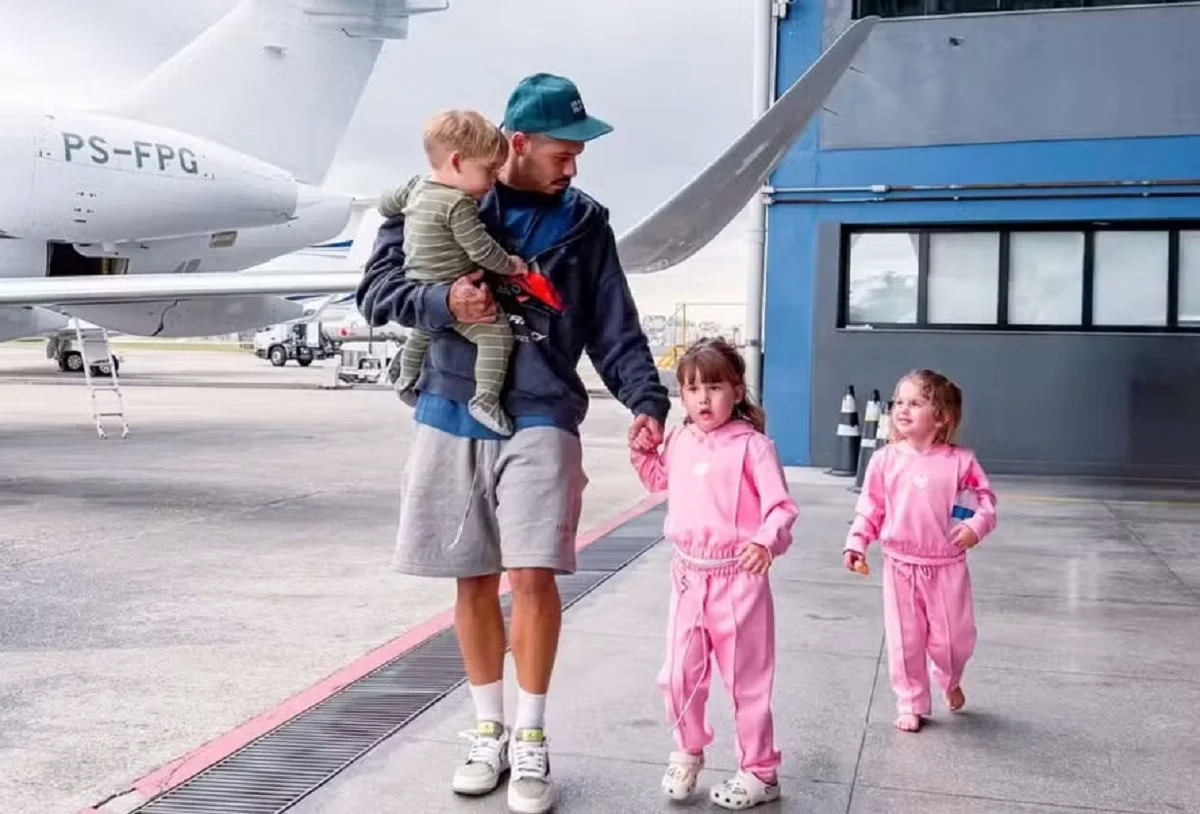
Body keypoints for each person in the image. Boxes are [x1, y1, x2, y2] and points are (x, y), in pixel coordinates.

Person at [356, 72, 670, 814]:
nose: (574, 166)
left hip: (542, 411)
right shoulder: (442, 193)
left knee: (532, 574)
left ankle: (530, 740)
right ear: (518, 144)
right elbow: (375, 292)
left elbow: (613, 326)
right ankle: (486, 731)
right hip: (449, 403)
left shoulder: (586, 223)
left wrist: (646, 402)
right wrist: (441, 300)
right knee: (471, 579)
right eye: (565, 151)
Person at [629, 337, 798, 811]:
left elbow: (780, 508)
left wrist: (766, 541)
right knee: (680, 675)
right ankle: (688, 749)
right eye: (692, 388)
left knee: (747, 681)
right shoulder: (680, 440)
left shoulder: (754, 447)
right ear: (681, 395)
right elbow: (662, 480)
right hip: (688, 578)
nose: (703, 398)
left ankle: (760, 771)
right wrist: (644, 453)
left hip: (738, 581)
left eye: (715, 387)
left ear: (738, 391)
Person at [842, 369, 998, 733]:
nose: (902, 409)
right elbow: (870, 508)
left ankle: (950, 675)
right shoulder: (884, 460)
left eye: (915, 403)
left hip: (947, 566)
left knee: (953, 640)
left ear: (940, 416)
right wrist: (857, 542)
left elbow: (985, 503)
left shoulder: (962, 462)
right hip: (900, 565)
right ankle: (910, 701)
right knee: (905, 640)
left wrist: (976, 527)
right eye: (899, 402)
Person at [380, 109, 529, 435]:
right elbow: (481, 249)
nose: (492, 183)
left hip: (418, 282)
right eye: (489, 171)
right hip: (453, 287)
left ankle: (405, 379)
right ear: (458, 162)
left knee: (423, 329)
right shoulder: (459, 205)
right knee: (497, 336)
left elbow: (385, 204)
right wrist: (511, 265)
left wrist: (398, 212)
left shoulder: (417, 187)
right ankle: (486, 398)